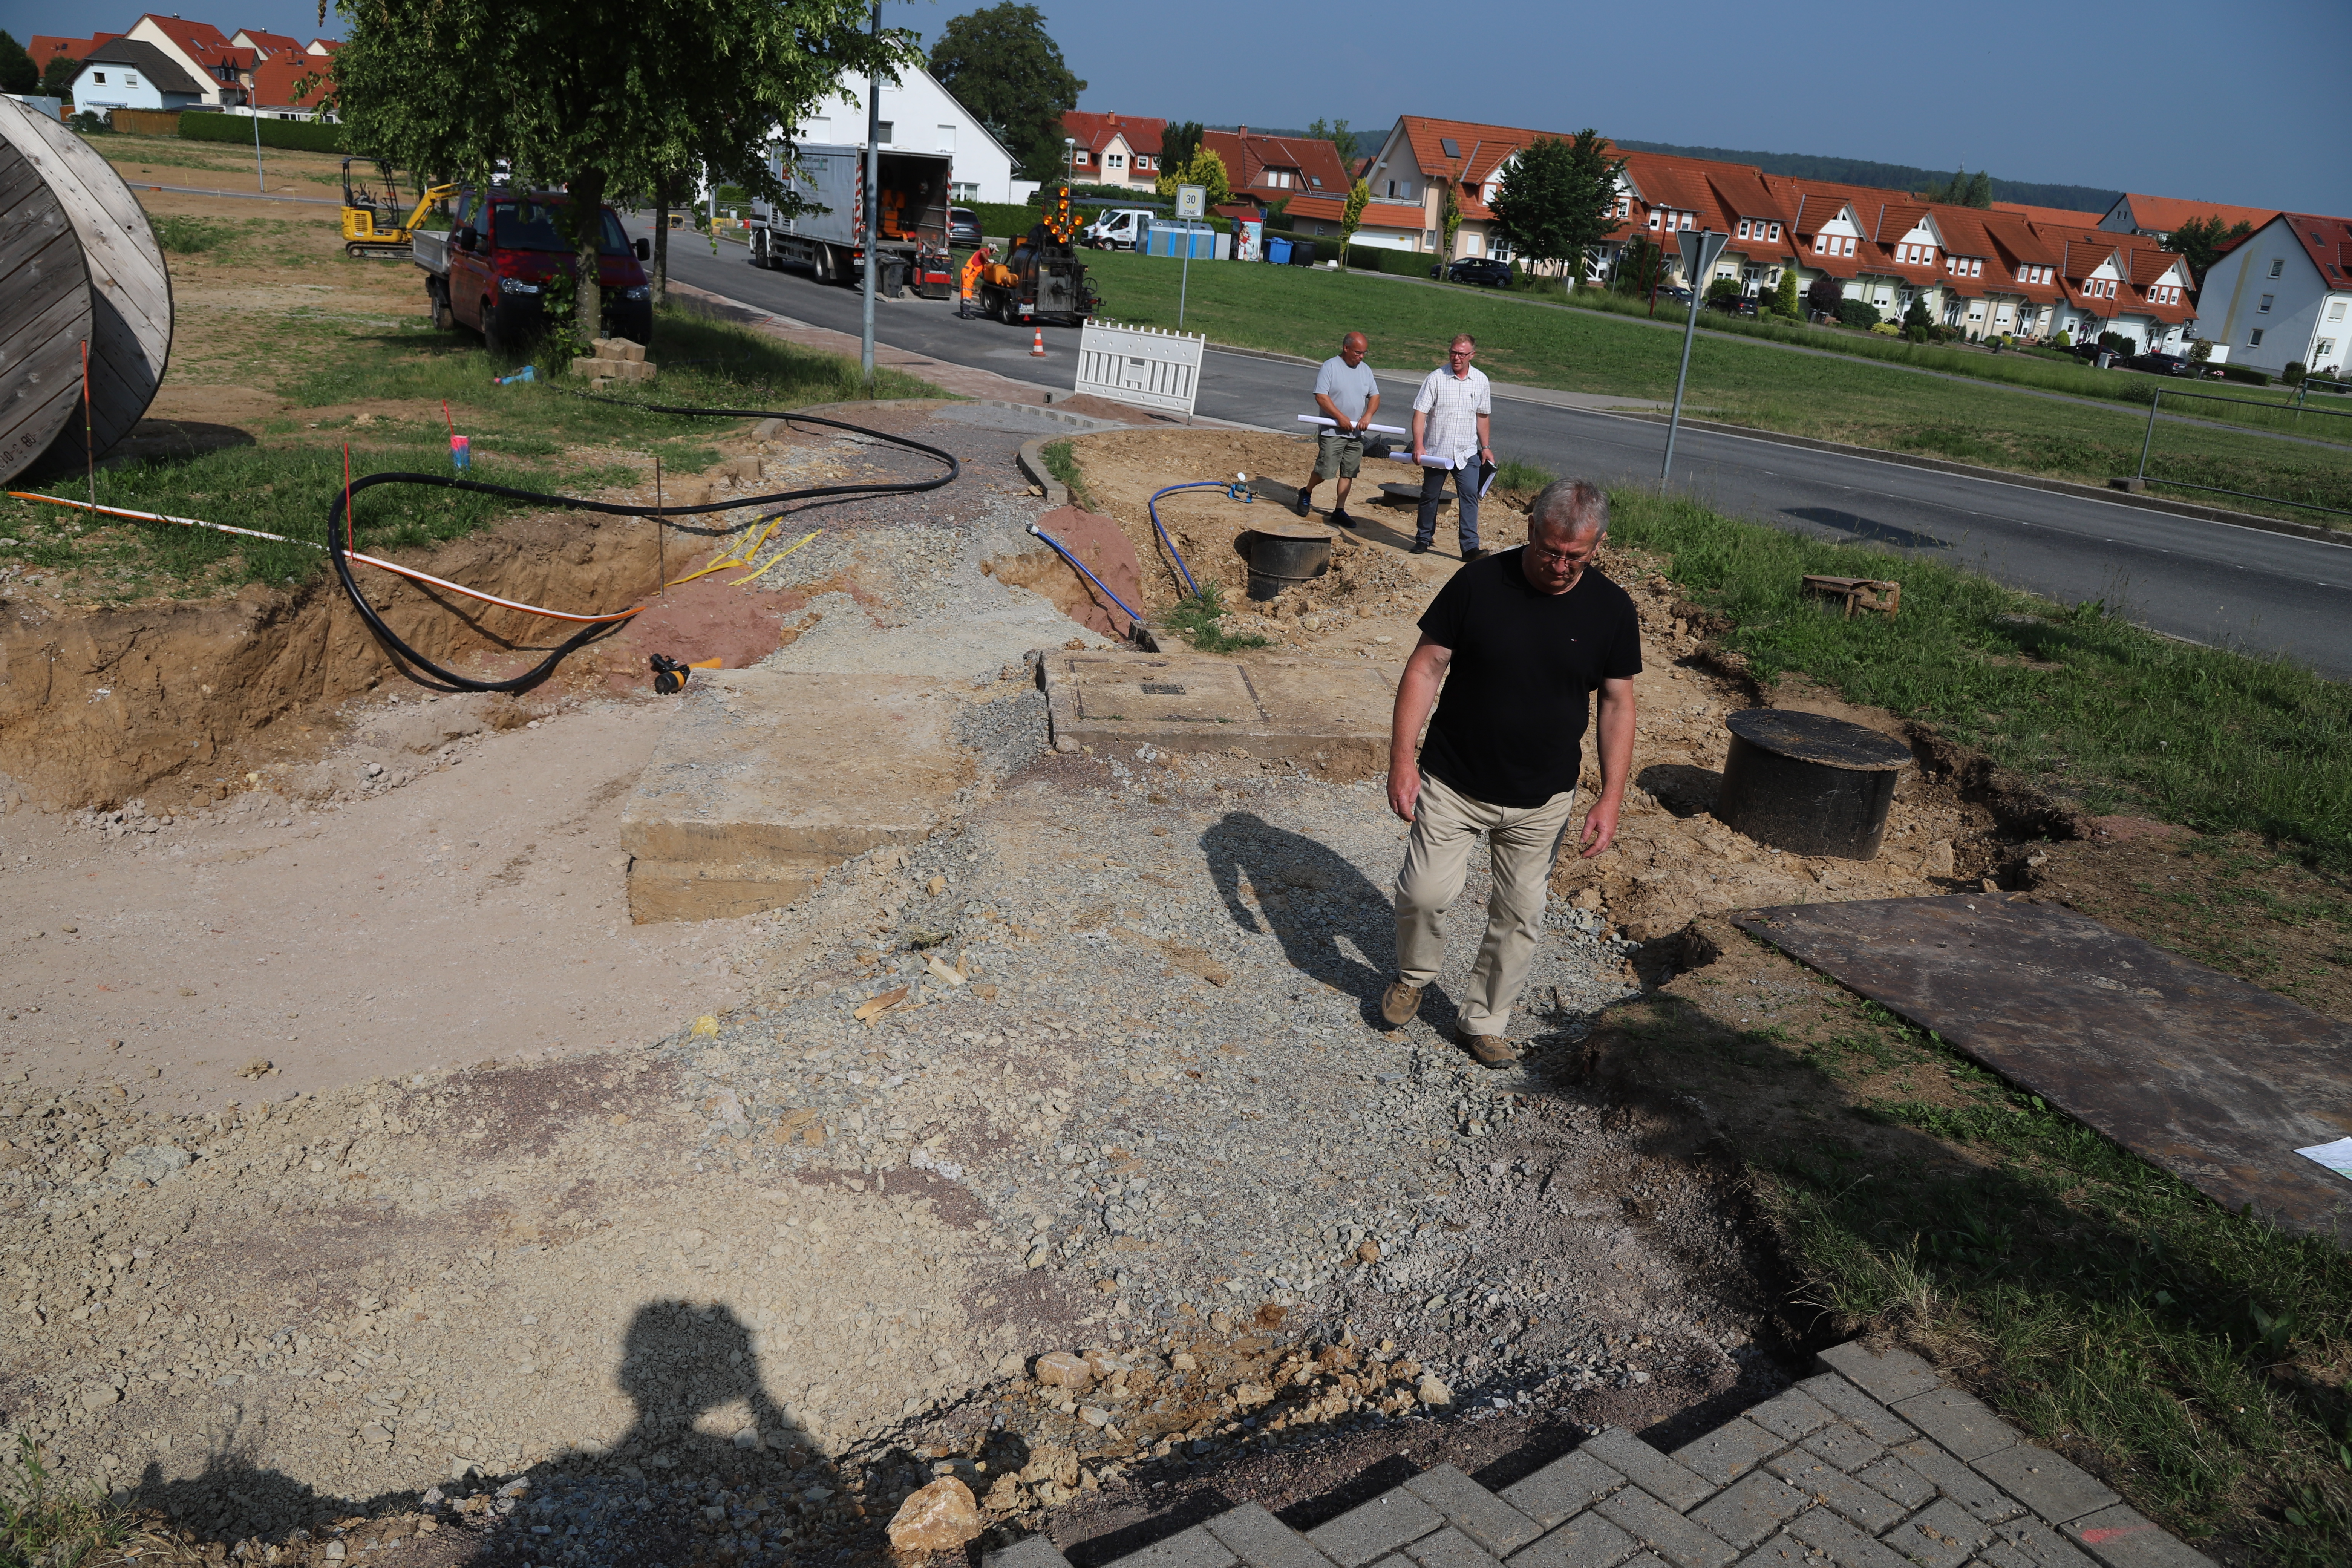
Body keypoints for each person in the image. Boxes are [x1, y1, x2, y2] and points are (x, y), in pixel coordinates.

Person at [1380, 479, 1640, 1068]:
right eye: (1551, 550)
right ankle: (1414, 976)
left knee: (1519, 915)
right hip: (1453, 780)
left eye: (1577, 556)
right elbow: (1426, 668)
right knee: (1424, 893)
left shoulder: (1611, 609)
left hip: (1543, 796)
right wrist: (1401, 757)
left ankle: (1484, 1022)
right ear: (1530, 530)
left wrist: (1611, 797)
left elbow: (1618, 704)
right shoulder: (1477, 584)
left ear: (1598, 546)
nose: (1560, 565)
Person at [1409, 334, 1494, 560]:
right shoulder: (1436, 378)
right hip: (1438, 452)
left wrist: (1485, 446)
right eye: (1453, 353)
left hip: (1466, 452)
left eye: (1462, 354)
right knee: (1430, 495)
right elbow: (1420, 414)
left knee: (1469, 497)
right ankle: (1423, 538)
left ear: (1472, 356)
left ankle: (1470, 548)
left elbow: (1483, 416)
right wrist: (1419, 445)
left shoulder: (1481, 381)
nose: (1456, 358)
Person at [1293, 331, 1380, 528]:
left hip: (1356, 434)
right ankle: (1306, 492)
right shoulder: (1330, 367)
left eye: (1364, 353)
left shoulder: (1365, 370)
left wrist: (1367, 416)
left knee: (1348, 472)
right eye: (1358, 353)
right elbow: (1321, 397)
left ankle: (1339, 511)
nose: (1361, 357)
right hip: (1333, 432)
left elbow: (1375, 396)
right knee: (1325, 471)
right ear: (1346, 348)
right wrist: (1339, 417)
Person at [959, 243, 994, 319]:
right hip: (969, 274)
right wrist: (989, 261)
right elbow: (983, 253)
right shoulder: (984, 251)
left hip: (968, 273)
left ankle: (964, 312)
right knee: (967, 293)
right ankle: (966, 313)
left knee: (965, 293)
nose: (994, 254)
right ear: (991, 249)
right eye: (994, 252)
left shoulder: (982, 259)